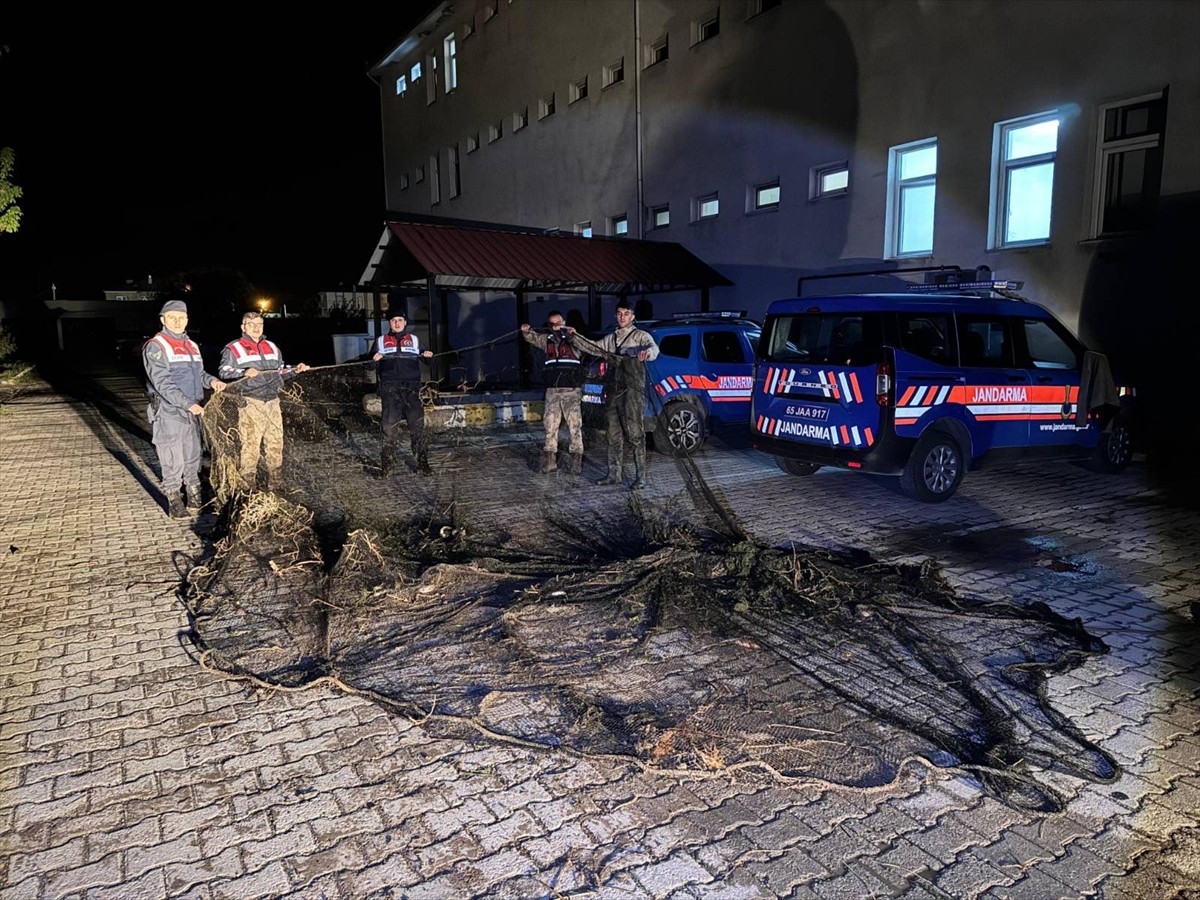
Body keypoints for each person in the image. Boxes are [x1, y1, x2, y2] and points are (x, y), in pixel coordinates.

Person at [142, 299, 227, 517]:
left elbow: (200, 374)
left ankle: (195, 498)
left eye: (181, 318)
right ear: (163, 320)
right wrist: (187, 403)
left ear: (187, 319)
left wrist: (212, 381)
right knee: (173, 458)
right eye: (172, 318)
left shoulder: (191, 345)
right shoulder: (156, 346)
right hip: (170, 411)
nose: (178, 322)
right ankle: (174, 500)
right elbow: (162, 383)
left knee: (193, 455)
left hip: (193, 410)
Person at [571, 299, 659, 488]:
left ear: (633, 317)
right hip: (613, 391)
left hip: (632, 393)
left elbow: (654, 349)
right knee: (612, 434)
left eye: (626, 314)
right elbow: (592, 347)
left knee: (635, 434)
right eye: (619, 314)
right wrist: (574, 336)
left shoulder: (640, 336)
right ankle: (614, 474)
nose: (622, 317)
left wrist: (647, 353)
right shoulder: (611, 339)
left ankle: (641, 477)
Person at [218, 311, 310, 491]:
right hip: (251, 403)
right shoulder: (233, 348)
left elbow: (280, 371)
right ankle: (248, 487)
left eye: (259, 324)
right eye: (251, 324)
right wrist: (243, 372)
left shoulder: (272, 346)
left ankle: (276, 482)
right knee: (251, 446)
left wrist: (296, 369)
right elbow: (224, 371)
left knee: (276, 443)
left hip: (273, 402)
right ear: (243, 327)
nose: (256, 328)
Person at [520, 310, 587, 475]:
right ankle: (550, 461)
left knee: (574, 425)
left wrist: (573, 335)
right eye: (552, 324)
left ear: (564, 322)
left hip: (571, 390)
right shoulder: (547, 340)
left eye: (558, 322)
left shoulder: (573, 339)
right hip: (552, 390)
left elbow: (587, 346)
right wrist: (526, 331)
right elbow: (533, 338)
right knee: (550, 425)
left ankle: (576, 461)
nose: (556, 326)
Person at [373, 309, 434, 474]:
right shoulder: (381, 341)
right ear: (389, 323)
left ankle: (422, 463)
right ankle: (387, 465)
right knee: (389, 429)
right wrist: (373, 361)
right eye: (394, 320)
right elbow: (368, 365)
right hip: (390, 390)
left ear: (405, 322)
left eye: (400, 320)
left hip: (411, 390)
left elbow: (428, 362)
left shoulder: (414, 340)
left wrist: (428, 357)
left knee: (417, 427)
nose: (397, 323)